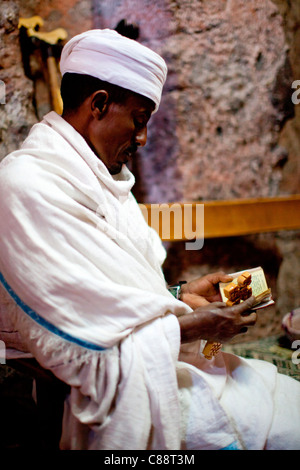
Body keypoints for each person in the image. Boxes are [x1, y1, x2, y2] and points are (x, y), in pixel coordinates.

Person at [0, 28, 299, 451]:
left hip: (162, 366)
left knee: (284, 400)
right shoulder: (26, 186)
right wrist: (193, 326)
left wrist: (178, 294)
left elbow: (112, 303)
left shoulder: (105, 184)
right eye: (139, 122)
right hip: (120, 392)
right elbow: (77, 344)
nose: (142, 139)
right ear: (99, 104)